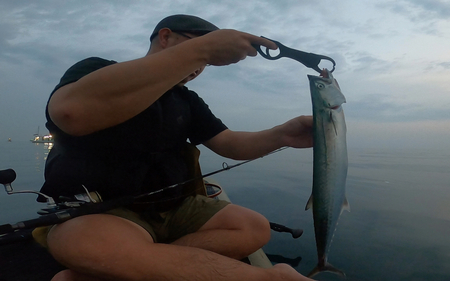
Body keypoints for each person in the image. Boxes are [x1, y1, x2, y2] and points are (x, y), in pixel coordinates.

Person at [37, 14, 314, 281]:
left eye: (205, 63)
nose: (198, 68)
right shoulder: (96, 70)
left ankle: (127, 266)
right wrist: (203, 49)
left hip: (175, 207)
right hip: (106, 212)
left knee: (254, 229)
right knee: (81, 243)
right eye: (195, 48)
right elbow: (70, 113)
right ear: (166, 37)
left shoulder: (187, 100)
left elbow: (230, 143)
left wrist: (283, 135)